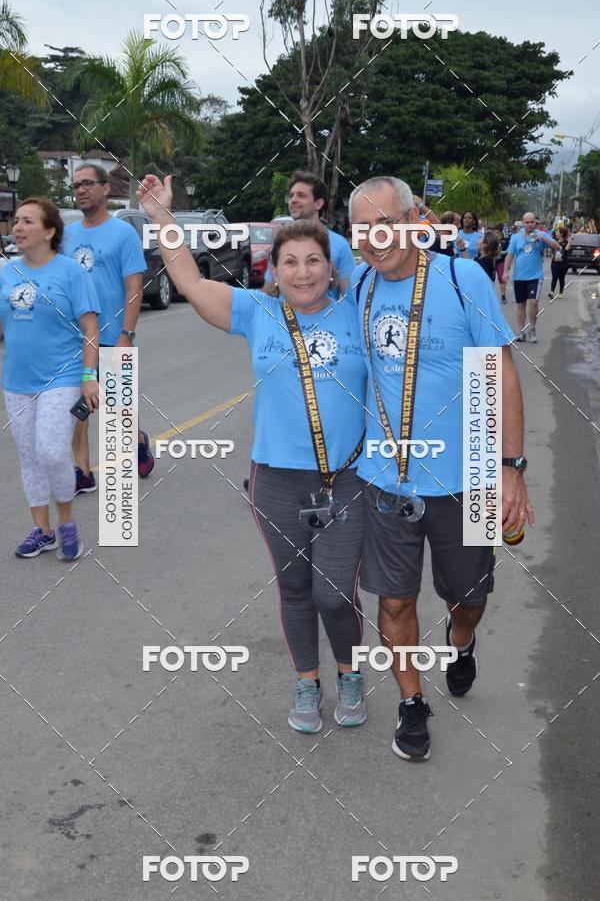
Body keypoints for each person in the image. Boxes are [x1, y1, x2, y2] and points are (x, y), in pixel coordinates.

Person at [138, 173, 368, 735]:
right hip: (276, 481)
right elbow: (190, 281)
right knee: (294, 588)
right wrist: (163, 218)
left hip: (347, 479)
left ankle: (351, 672)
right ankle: (307, 681)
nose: (303, 272)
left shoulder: (357, 312)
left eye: (313, 261)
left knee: (334, 592)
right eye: (290, 262)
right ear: (273, 269)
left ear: (329, 267)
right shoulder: (256, 313)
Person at [349, 176, 534, 761]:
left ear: (416, 218)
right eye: (361, 228)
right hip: (385, 481)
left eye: (384, 223)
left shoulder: (462, 279)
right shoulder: (357, 284)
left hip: (469, 476)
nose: (374, 239)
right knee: (395, 600)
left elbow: (502, 373)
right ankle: (410, 702)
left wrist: (510, 468)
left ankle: (461, 641)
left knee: (469, 593)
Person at [0, 198, 100, 559]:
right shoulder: (7, 272)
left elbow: (90, 327)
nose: (18, 227)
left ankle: (67, 522)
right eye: (16, 221)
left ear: (50, 231)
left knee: (52, 451)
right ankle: (42, 531)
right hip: (16, 380)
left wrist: (90, 377)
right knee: (29, 456)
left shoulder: (71, 272)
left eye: (27, 221)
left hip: (63, 377)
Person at [61, 163, 154, 492]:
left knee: (118, 415)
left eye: (87, 184)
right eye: (76, 186)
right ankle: (82, 472)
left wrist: (126, 335)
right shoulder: (68, 236)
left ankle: (138, 440)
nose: (81, 190)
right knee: (78, 408)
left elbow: (134, 288)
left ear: (105, 189)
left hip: (114, 336)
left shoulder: (123, 234)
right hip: (75, 340)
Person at [263, 170, 356, 300]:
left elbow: (350, 297)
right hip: (284, 319)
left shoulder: (339, 244)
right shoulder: (281, 243)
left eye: (301, 195)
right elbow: (269, 291)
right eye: (291, 196)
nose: (293, 200)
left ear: (318, 203)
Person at [504, 212, 560, 343]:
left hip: (535, 276)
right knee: (521, 305)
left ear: (535, 222)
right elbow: (510, 255)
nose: (529, 224)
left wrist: (544, 238)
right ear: (523, 223)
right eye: (527, 222)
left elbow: (557, 246)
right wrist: (505, 271)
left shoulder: (541, 235)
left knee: (533, 302)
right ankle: (522, 331)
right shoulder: (516, 237)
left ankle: (533, 328)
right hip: (519, 277)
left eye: (532, 222)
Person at [549, 228, 571, 299]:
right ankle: (552, 292)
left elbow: (567, 249)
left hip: (563, 264)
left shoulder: (566, 242)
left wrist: (570, 241)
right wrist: (553, 255)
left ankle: (561, 293)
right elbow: (551, 251)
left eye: (557, 232)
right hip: (554, 263)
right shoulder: (554, 242)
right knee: (554, 277)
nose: (556, 233)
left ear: (561, 234)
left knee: (561, 278)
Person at [493, 225, 510, 304]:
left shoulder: (505, 240)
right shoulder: (490, 240)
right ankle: (491, 297)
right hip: (492, 261)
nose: (496, 234)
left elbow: (508, 251)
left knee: (501, 279)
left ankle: (503, 296)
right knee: (490, 279)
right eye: (494, 232)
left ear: (500, 232)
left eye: (497, 232)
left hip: (501, 261)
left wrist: (508, 264)